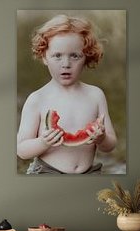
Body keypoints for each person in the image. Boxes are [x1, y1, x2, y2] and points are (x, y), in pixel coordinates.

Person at [17, 14, 117, 174]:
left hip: (90, 172)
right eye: (57, 56)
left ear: (86, 57)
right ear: (44, 57)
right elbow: (21, 150)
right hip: (47, 172)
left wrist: (102, 138)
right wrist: (43, 142)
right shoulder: (37, 99)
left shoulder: (95, 95)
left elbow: (110, 144)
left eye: (75, 56)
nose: (66, 64)